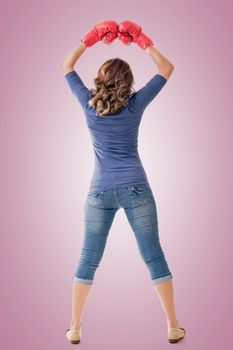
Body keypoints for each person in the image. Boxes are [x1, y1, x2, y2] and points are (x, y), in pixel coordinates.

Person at [61, 20, 185, 344]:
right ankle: (173, 325)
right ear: (128, 82)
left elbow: (66, 65)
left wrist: (89, 39)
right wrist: (142, 41)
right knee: (154, 256)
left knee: (88, 259)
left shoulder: (89, 105)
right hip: (136, 189)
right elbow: (167, 67)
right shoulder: (135, 104)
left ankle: (74, 328)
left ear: (100, 79)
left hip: (99, 193)